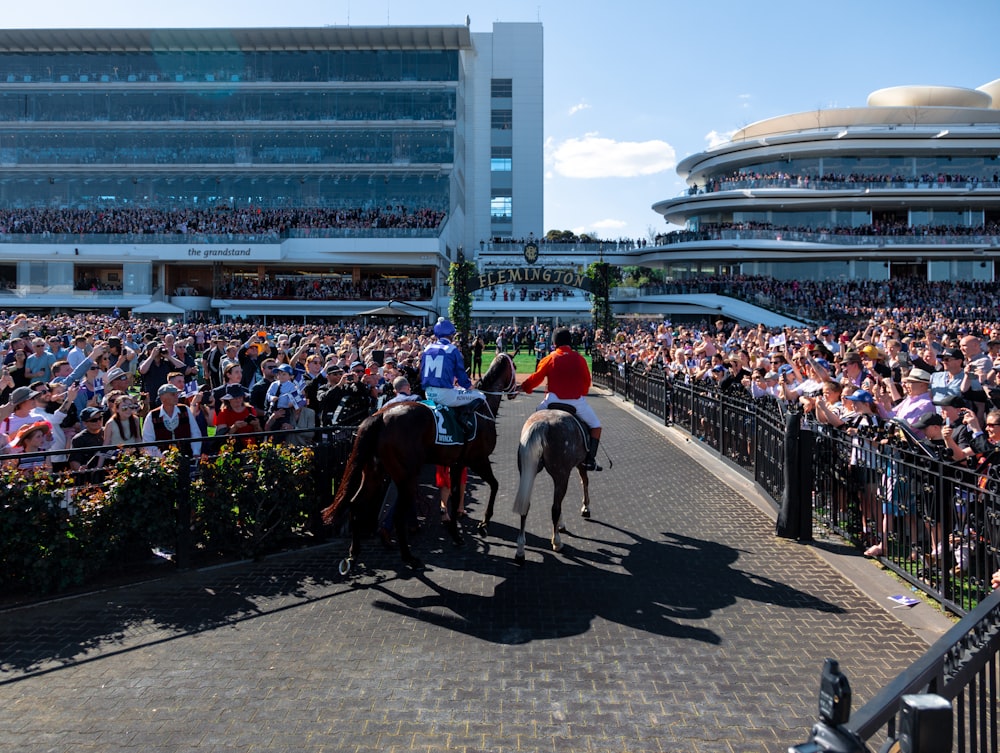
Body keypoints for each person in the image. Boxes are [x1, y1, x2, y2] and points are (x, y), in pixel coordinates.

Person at [519, 326, 603, 471]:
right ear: (570, 342)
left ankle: (531, 454)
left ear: (555, 343)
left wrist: (524, 387)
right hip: (576, 402)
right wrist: (580, 393)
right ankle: (590, 460)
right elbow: (586, 382)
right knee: (596, 426)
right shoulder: (579, 358)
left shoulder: (549, 358)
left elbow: (536, 378)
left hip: (551, 400)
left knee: (533, 420)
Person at [420, 317, 485, 435]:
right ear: (451, 334)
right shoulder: (452, 349)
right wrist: (469, 387)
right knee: (480, 396)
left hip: (428, 393)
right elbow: (461, 374)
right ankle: (463, 419)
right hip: (445, 395)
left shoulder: (427, 348)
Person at [141, 382, 202, 457]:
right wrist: (161, 457)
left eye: (177, 394)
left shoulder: (185, 410)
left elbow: (195, 433)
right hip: (162, 462)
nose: (177, 396)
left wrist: (195, 452)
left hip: (186, 456)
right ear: (162, 397)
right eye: (173, 394)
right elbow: (148, 441)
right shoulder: (152, 415)